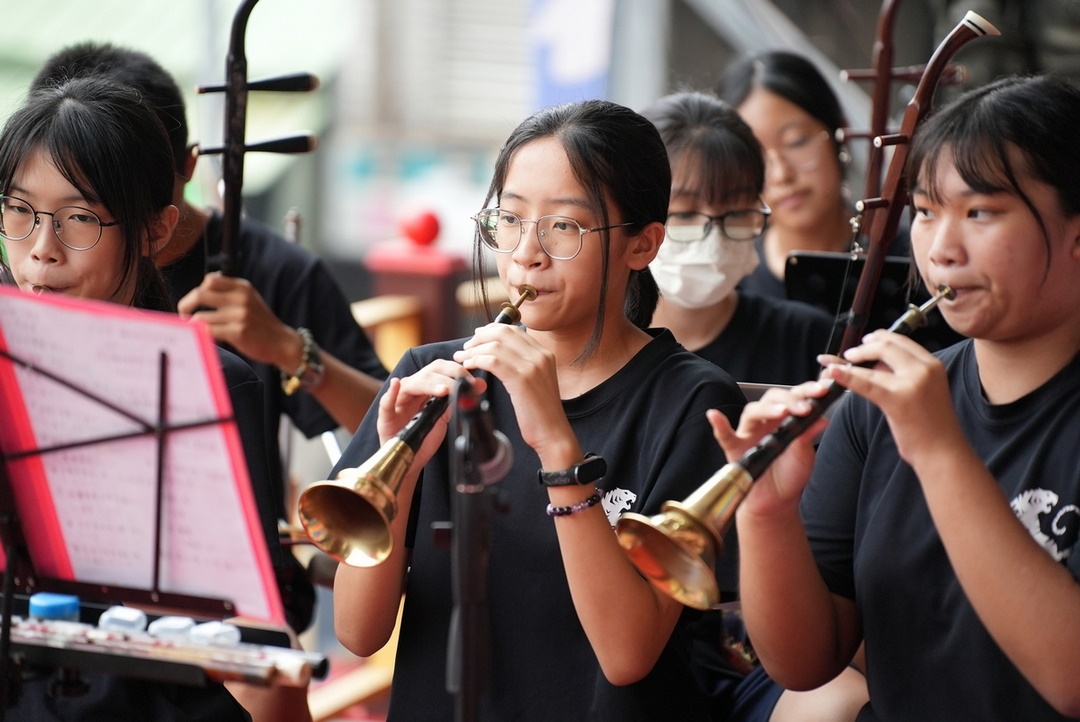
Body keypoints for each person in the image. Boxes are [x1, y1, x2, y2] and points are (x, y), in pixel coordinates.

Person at [330, 99, 746, 721]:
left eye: (564, 228)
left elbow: (627, 654)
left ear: (643, 244)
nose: (527, 253)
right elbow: (357, 633)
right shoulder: (433, 375)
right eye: (510, 219)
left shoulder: (692, 403)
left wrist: (557, 444)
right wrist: (402, 470)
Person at [711, 74, 1080, 719]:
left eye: (981, 212)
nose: (941, 249)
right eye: (928, 211)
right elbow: (804, 663)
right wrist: (766, 514)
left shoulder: (914, 415)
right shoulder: (872, 411)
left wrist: (939, 451)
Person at [30, 42, 389, 522]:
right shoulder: (37, 268)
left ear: (187, 168)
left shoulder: (279, 271)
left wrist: (287, 348)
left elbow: (394, 429)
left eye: (85, 214)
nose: (49, 247)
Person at [0, 75, 264, 722]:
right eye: (17, 210)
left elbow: (242, 634)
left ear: (155, 229)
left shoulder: (212, 386)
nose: (40, 250)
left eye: (80, 219)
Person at [642, 90, 838, 386]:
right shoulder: (585, 346)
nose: (715, 239)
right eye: (683, 214)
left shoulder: (810, 341)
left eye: (736, 212)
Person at [715, 51, 859, 302]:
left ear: (841, 132)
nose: (781, 174)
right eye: (754, 154)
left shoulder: (913, 258)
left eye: (797, 142)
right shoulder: (729, 283)